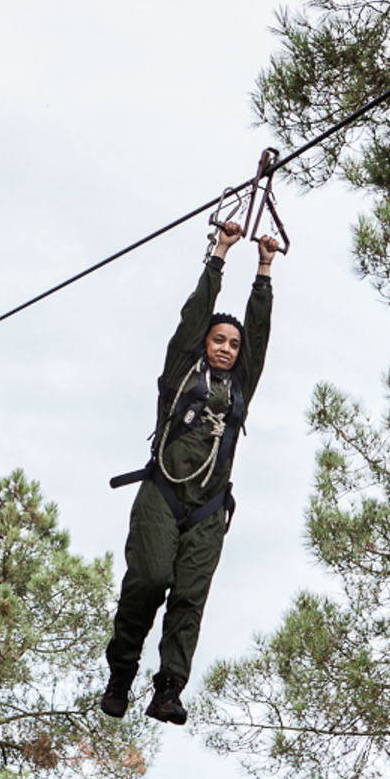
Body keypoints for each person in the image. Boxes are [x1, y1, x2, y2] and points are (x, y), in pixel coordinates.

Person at [101, 221, 277, 723]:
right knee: (150, 579)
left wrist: (264, 268)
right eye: (218, 339)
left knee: (189, 598)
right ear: (205, 343)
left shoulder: (241, 383)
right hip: (164, 494)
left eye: (232, 343)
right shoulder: (181, 371)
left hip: (208, 509)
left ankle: (169, 690)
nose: (226, 347)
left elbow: (259, 335)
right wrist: (220, 254)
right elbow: (192, 318)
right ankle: (121, 672)